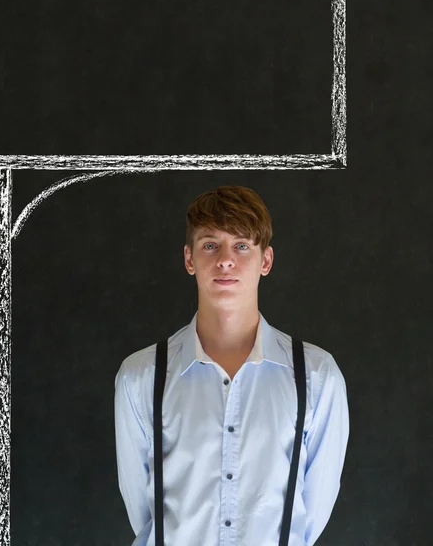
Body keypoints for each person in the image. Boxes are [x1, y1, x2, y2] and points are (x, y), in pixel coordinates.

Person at [114, 185, 349, 546]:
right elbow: (142, 512)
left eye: (241, 245)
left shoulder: (316, 376)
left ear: (265, 260)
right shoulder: (142, 376)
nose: (226, 260)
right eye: (210, 245)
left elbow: (312, 513)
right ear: (189, 259)